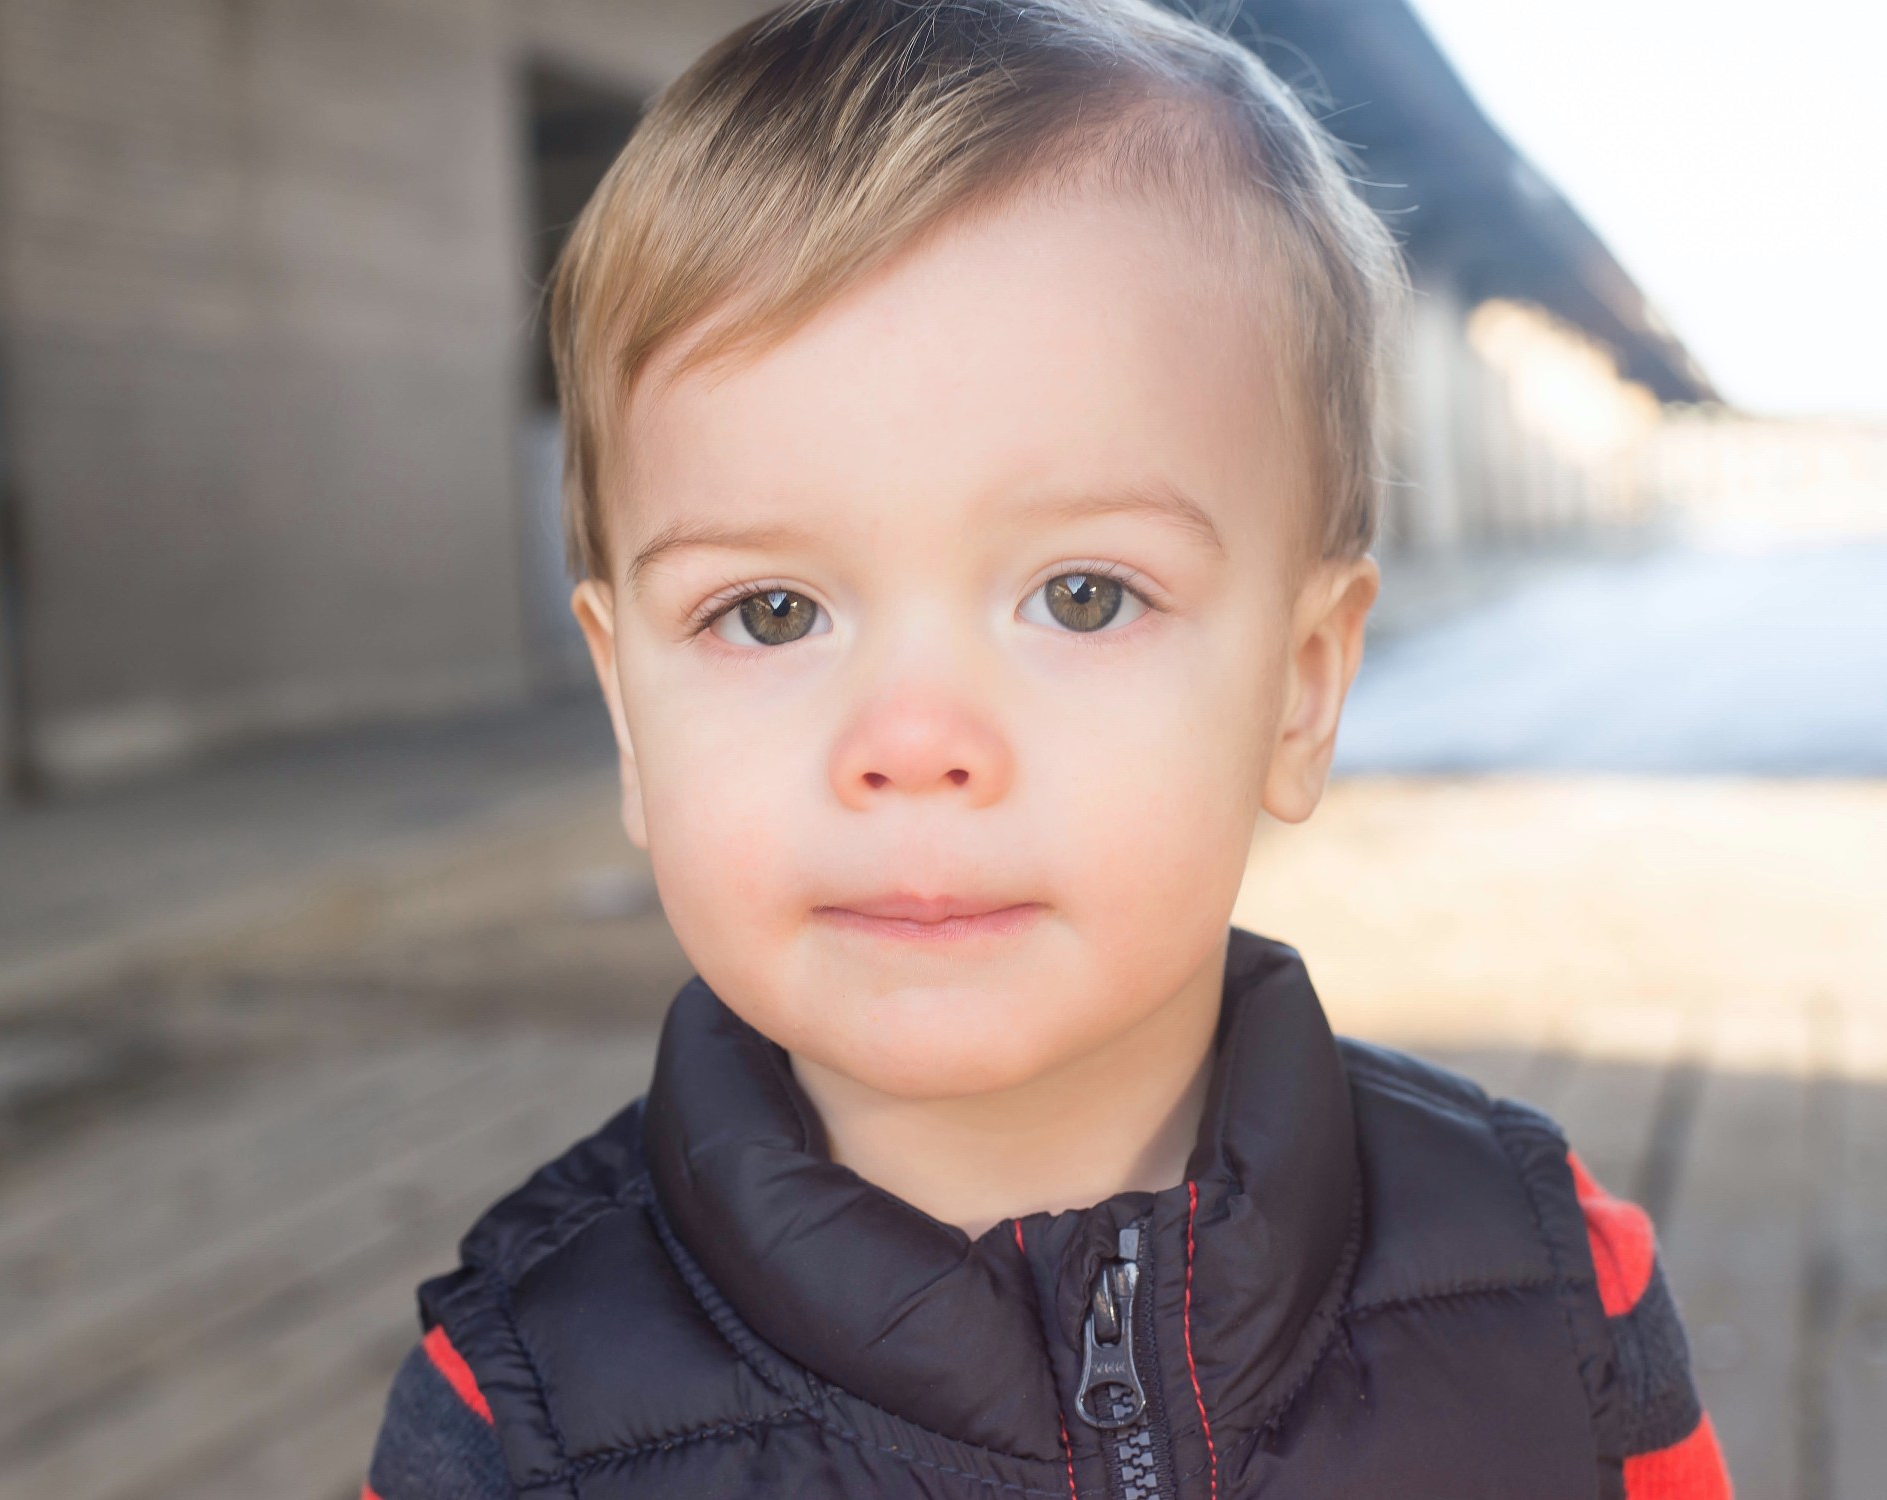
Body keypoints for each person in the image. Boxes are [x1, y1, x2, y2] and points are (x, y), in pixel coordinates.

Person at [362, 1, 1732, 1495]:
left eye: (1083, 597)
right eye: (769, 612)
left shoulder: (1551, 1292)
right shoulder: (520, 1414)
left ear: (1299, 689)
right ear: (631, 714)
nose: (912, 742)